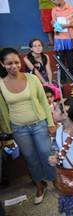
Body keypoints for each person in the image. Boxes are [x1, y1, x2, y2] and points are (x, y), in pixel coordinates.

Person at [0, 48, 56, 205]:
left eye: (16, 62)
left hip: (39, 124)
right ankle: (39, 185)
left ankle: (54, 180)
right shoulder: (1, 85)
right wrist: (8, 133)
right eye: (9, 63)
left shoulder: (32, 79)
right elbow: (2, 111)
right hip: (18, 129)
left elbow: (44, 101)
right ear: (2, 64)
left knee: (46, 152)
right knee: (30, 159)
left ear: (20, 61)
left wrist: (50, 123)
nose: (13, 66)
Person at [50, 0, 73, 78]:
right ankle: (62, 77)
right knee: (60, 59)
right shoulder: (54, 10)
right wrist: (53, 23)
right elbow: (54, 21)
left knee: (70, 59)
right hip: (59, 38)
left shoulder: (71, 9)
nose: (54, 1)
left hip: (69, 38)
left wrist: (66, 26)